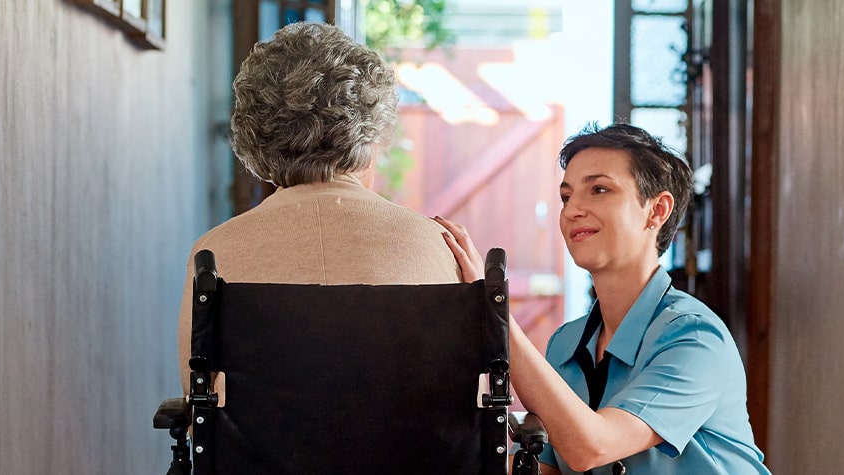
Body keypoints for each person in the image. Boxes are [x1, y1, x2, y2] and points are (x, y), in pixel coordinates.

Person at [438, 124, 770, 474]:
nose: (573, 210)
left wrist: (494, 308)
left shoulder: (695, 340)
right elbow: (555, 469)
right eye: (566, 197)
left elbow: (591, 448)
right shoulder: (565, 343)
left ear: (657, 211)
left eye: (599, 189)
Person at [179, 22, 482, 392]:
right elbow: (470, 406)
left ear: (257, 137)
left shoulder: (213, 254)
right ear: (368, 133)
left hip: (262, 452)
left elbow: (200, 412)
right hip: (415, 451)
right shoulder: (442, 247)